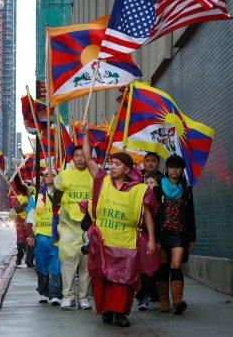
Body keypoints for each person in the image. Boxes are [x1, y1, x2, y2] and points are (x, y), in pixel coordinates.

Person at [80, 123, 158, 327]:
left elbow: (148, 215)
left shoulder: (140, 190)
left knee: (124, 280)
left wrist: (151, 239)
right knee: (103, 277)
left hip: (126, 241)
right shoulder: (102, 180)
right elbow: (88, 159)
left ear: (127, 169)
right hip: (103, 240)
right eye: (111, 163)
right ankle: (106, 310)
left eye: (117, 164)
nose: (112, 166)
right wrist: (86, 135)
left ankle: (120, 313)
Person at [51, 146, 93, 310]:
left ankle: (83, 298)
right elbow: (56, 197)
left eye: (83, 156)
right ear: (72, 158)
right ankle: (67, 296)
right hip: (68, 225)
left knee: (86, 263)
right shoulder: (65, 175)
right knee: (68, 262)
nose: (80, 159)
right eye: (76, 156)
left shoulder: (94, 175)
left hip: (88, 225)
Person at [154, 155, 196, 315]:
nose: (174, 170)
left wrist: (192, 238)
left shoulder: (187, 190)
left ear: (182, 170)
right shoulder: (158, 189)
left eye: (178, 167)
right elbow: (151, 212)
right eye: (172, 167)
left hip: (179, 233)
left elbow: (191, 214)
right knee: (163, 266)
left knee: (176, 265)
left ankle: (177, 302)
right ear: (167, 169)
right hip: (161, 233)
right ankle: (164, 301)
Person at [25, 170, 63, 305]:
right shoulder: (36, 196)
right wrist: (30, 234)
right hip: (41, 237)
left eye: (52, 175)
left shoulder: (61, 193)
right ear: (43, 178)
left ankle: (56, 294)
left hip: (57, 236)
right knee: (41, 264)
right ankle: (43, 292)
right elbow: (31, 215)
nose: (49, 178)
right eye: (46, 175)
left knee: (56, 265)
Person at [135, 154, 164, 311]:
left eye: (152, 183)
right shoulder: (138, 187)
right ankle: (143, 297)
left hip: (161, 234)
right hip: (144, 235)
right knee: (145, 267)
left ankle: (158, 295)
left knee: (157, 267)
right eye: (147, 183)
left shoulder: (164, 190)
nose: (149, 185)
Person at [10, 193, 29, 266]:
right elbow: (15, 210)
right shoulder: (18, 198)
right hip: (20, 222)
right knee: (21, 240)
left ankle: (29, 259)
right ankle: (19, 256)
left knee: (30, 240)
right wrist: (24, 204)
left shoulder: (33, 197)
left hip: (30, 221)